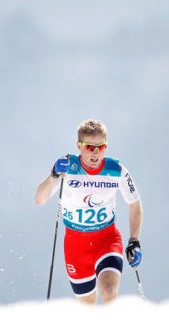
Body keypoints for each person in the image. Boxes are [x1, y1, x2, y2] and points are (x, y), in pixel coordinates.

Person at [34, 119, 143, 304]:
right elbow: (40, 199)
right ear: (79, 146)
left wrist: (134, 240)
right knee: (87, 310)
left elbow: (134, 203)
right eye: (89, 147)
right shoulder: (68, 166)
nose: (95, 153)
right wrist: (53, 175)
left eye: (100, 147)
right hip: (75, 246)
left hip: (107, 240)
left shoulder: (116, 170)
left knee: (109, 291)